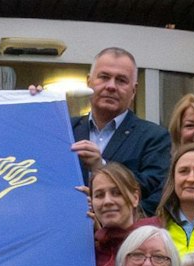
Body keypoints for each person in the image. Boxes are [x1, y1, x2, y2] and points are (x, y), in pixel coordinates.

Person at [70, 48, 171, 210]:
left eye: (121, 80)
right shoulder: (66, 129)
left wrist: (102, 168)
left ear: (134, 90)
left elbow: (155, 192)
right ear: (89, 82)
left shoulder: (155, 137)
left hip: (122, 234)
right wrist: (34, 104)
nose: (111, 86)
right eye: (104, 77)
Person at [90, 163, 155, 266]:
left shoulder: (156, 242)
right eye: (99, 195)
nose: (107, 201)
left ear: (135, 198)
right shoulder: (90, 252)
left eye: (116, 193)